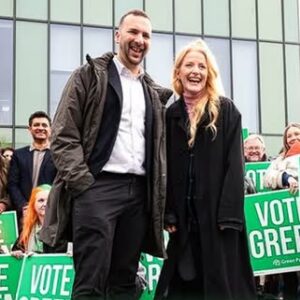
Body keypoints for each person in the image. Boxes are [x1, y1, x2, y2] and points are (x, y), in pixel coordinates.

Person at [39, 9, 172, 300]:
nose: (139, 40)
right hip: (97, 189)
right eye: (133, 32)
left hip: (138, 195)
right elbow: (62, 136)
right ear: (117, 35)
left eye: (146, 35)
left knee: (125, 283)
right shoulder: (87, 76)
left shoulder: (153, 92)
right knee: (90, 282)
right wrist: (84, 185)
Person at [154, 39, 256, 300]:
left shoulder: (226, 111)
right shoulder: (170, 115)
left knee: (220, 287)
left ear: (209, 73)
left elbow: (236, 168)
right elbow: (164, 167)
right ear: (178, 72)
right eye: (189, 65)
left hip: (218, 222)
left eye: (202, 66)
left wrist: (229, 217)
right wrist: (169, 213)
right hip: (184, 224)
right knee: (181, 287)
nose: (195, 71)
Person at [263, 123, 300, 300]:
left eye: (297, 134)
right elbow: (267, 179)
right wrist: (286, 177)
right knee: (290, 276)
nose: (293, 138)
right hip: (288, 223)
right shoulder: (278, 161)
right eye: (289, 136)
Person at [7, 111, 56, 219]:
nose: (40, 128)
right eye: (36, 125)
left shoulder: (58, 155)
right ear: (29, 129)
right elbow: (12, 184)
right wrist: (23, 206)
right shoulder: (18, 155)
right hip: (25, 213)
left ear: (50, 129)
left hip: (49, 212)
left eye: (44, 125)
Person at [11, 184, 51, 258]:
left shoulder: (62, 229)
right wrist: (17, 254)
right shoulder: (27, 228)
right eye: (41, 200)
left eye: (49, 200)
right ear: (33, 204)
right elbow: (16, 250)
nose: (45, 204)